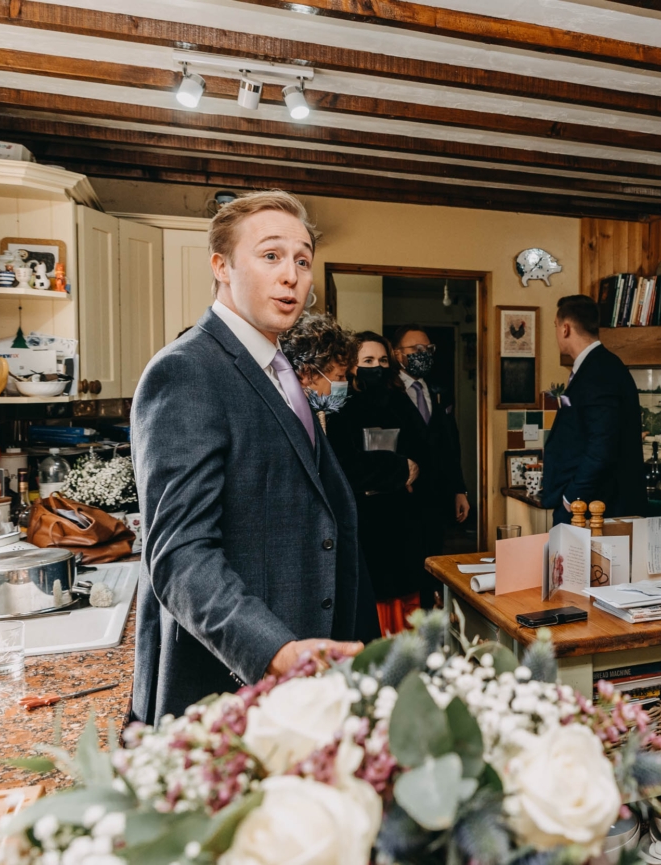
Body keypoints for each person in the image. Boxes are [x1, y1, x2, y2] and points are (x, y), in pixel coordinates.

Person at [131, 190, 375, 725]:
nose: (291, 275)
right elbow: (180, 557)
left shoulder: (276, 368)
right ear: (221, 266)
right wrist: (273, 650)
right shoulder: (187, 370)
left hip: (307, 679)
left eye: (303, 261)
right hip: (234, 686)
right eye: (271, 255)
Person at [328, 331, 427, 633]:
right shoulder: (339, 402)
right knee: (372, 601)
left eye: (383, 360)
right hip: (364, 521)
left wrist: (413, 467)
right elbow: (343, 464)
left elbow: (423, 446)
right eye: (368, 360)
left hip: (403, 517)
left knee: (406, 591)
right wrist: (397, 468)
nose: (377, 367)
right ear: (351, 365)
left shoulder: (398, 398)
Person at [540, 295, 647, 525]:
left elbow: (602, 446)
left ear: (565, 328)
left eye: (556, 326)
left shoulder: (599, 372)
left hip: (594, 511)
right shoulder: (598, 367)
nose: (556, 332)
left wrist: (571, 498)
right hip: (588, 506)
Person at [393, 324, 470, 573]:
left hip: (437, 495)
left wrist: (459, 490)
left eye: (427, 349)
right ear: (397, 353)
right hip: (403, 495)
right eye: (416, 349)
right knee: (405, 564)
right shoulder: (388, 390)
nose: (423, 354)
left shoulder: (439, 390)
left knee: (434, 562)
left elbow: (451, 444)